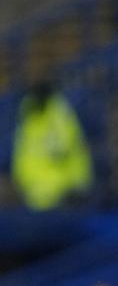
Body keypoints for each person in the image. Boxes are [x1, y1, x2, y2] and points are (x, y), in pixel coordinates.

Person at [10, 79, 93, 211]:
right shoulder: (28, 116)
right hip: (34, 195)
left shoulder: (59, 114)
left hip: (64, 194)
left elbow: (62, 148)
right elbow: (22, 152)